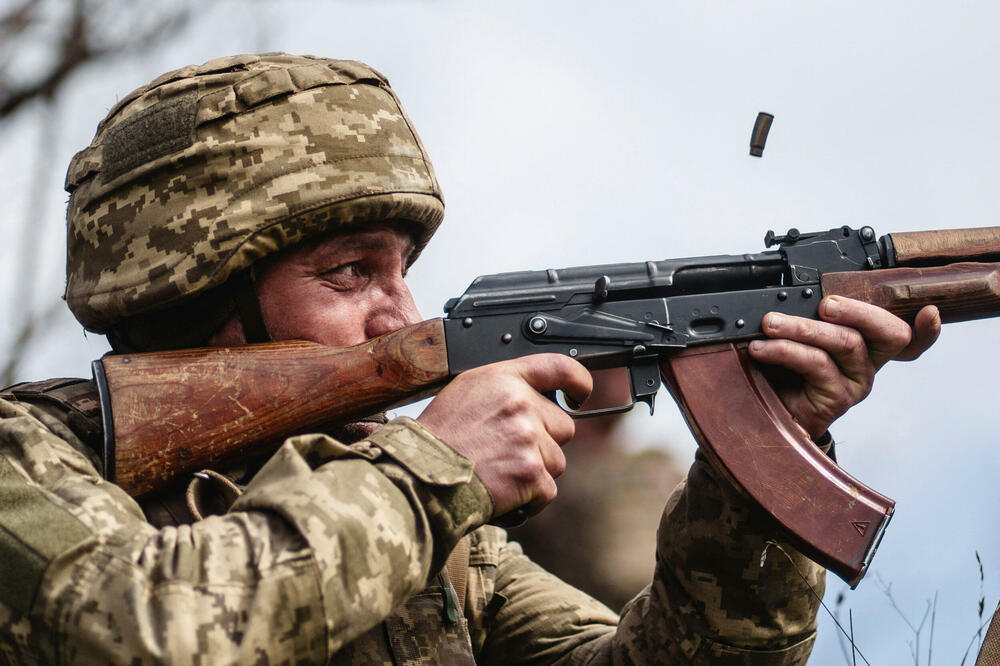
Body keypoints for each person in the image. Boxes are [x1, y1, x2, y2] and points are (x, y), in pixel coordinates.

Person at [0, 54, 940, 664]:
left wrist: (760, 464)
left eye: (404, 272)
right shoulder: (28, 460)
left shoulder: (446, 548)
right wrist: (433, 467)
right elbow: (135, 634)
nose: (399, 316)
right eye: (348, 274)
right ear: (202, 299)